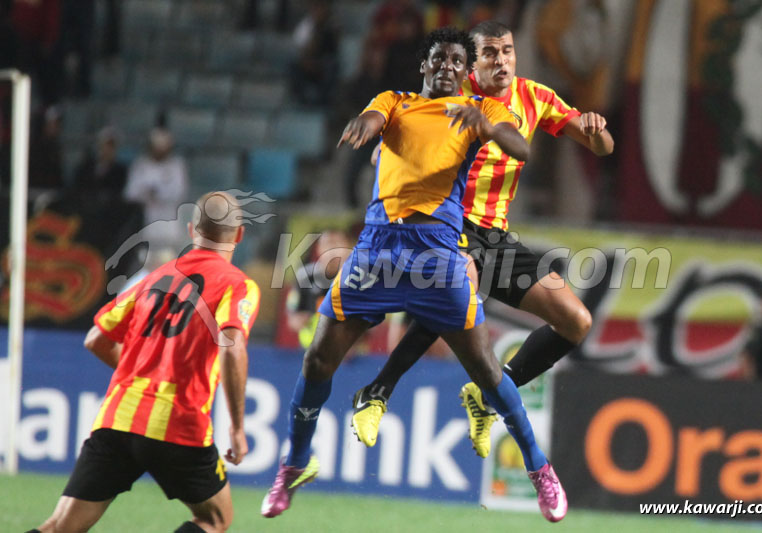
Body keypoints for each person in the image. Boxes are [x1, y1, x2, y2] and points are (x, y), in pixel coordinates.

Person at [262, 27, 567, 523]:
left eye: (454, 60)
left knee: (488, 373)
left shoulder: (481, 110)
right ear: (424, 66)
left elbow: (522, 149)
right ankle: (293, 463)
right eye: (437, 58)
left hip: (438, 257)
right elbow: (373, 114)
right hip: (378, 251)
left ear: (465, 72)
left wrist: (487, 127)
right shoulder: (397, 101)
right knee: (318, 360)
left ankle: (539, 470)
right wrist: (364, 122)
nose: (446, 65)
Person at [351, 20, 613, 461]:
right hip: (444, 227)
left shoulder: (535, 98)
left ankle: (489, 393)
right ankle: (376, 392)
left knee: (576, 320)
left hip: (495, 236)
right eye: (490, 53)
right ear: (473, 63)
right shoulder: (454, 95)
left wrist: (594, 128)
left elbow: (603, 148)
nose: (502, 60)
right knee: (458, 287)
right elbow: (403, 133)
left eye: (508, 51)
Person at [29, 191, 261, 533]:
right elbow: (231, 347)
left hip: (118, 419)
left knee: (60, 526)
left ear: (190, 230)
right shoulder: (238, 286)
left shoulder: (152, 279)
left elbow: (96, 339)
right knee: (215, 518)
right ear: (239, 235)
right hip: (179, 424)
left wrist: (138, 373)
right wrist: (238, 428)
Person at [124, 127, 189, 256]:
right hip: (145, 225)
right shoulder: (141, 165)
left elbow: (180, 192)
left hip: (169, 227)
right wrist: (146, 193)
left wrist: (159, 193)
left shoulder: (177, 165)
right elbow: (130, 193)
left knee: (168, 266)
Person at [71, 126, 127, 203]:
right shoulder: (85, 167)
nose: (109, 149)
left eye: (112, 146)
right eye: (106, 145)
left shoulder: (120, 171)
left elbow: (117, 193)